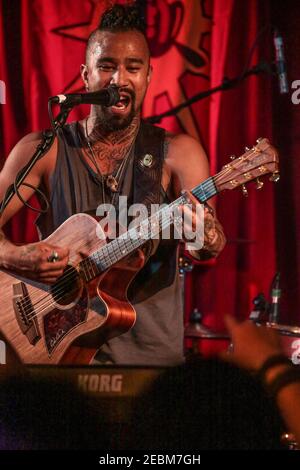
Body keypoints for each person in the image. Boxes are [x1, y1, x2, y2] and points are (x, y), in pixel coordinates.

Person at [0, 4, 225, 366]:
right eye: (106, 66)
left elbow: (208, 246)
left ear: (148, 76)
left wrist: (203, 234)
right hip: (54, 356)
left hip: (148, 360)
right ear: (85, 75)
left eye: (132, 68)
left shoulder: (178, 153)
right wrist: (13, 254)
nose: (118, 79)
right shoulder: (43, 150)